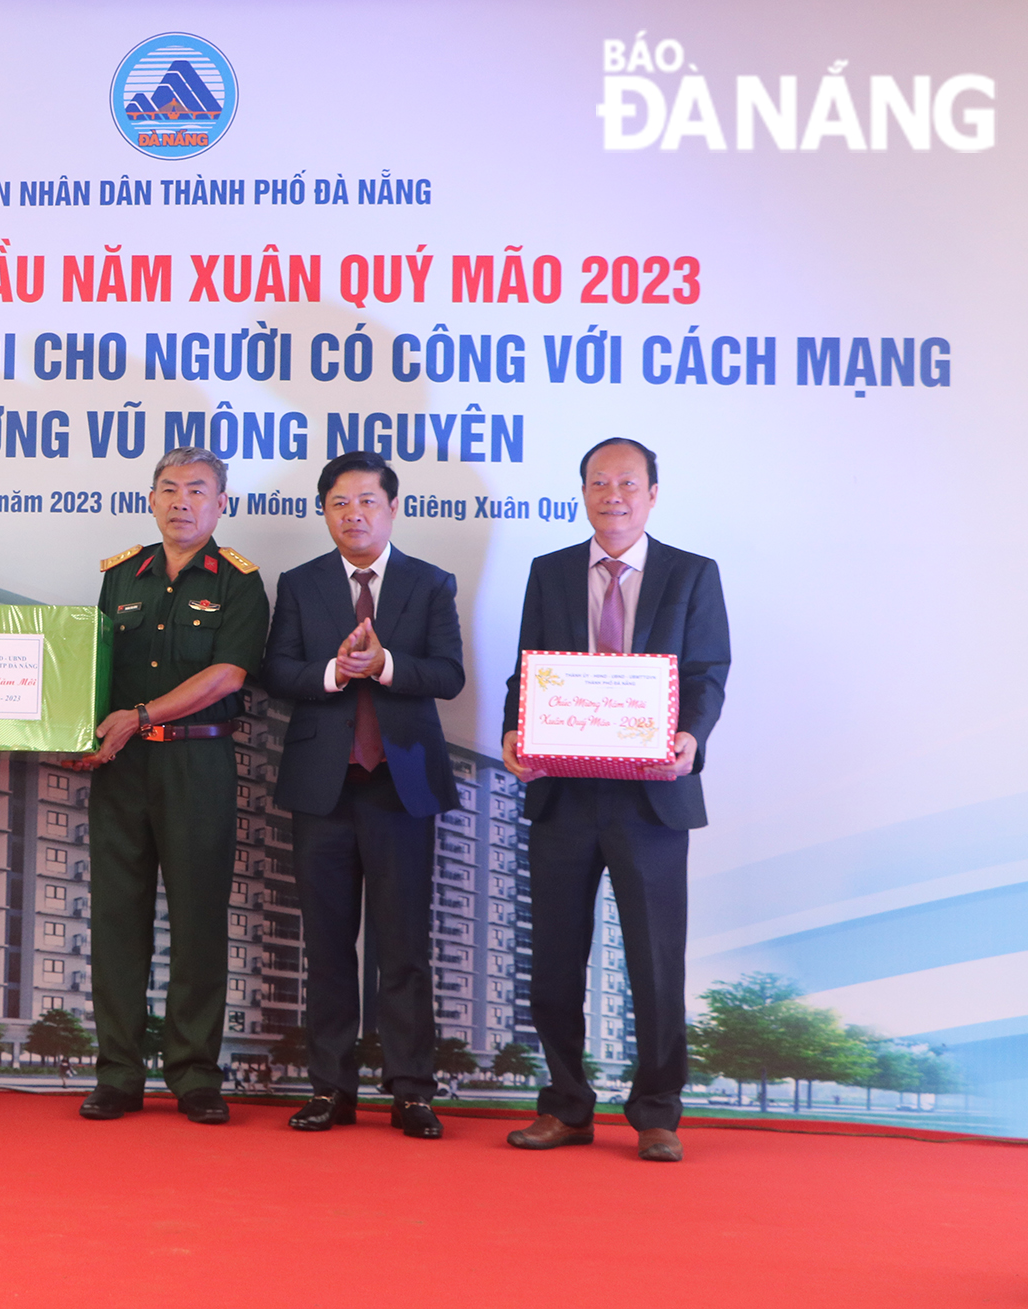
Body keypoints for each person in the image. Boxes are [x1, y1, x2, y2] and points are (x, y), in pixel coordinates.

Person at [500, 438, 729, 1163]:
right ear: (583, 492)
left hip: (652, 797)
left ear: (653, 493)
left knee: (655, 962)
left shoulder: (692, 574)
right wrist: (513, 733)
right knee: (556, 964)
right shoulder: (549, 572)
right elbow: (526, 671)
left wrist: (691, 734)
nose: (614, 494)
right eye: (599, 482)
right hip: (563, 793)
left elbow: (708, 671)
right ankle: (566, 1105)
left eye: (628, 482)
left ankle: (657, 1110)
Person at [261, 450, 464, 1137]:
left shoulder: (430, 583)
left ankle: (411, 1090)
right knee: (326, 947)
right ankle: (330, 1088)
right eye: (339, 503)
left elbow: (449, 674)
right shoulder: (300, 583)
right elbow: (277, 670)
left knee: (402, 947)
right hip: (324, 788)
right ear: (324, 511)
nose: (354, 514)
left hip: (401, 787)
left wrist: (386, 665)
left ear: (393, 507)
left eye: (367, 501)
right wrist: (333, 673)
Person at [76, 447, 270, 1126]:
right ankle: (118, 1073)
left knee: (197, 924)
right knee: (117, 924)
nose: (181, 501)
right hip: (123, 771)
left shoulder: (241, 582)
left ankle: (194, 1075)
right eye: (169, 488)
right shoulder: (120, 576)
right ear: (149, 498)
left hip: (198, 766)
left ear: (222, 503)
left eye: (197, 490)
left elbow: (228, 675)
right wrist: (77, 732)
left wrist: (142, 715)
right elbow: (91, 669)